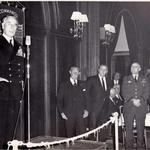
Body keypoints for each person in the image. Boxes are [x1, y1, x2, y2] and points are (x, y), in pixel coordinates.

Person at [0, 15, 25, 148]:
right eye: (8, 23)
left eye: (15, 24)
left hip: (15, 92)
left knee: (12, 128)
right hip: (1, 90)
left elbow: (20, 70)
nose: (12, 27)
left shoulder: (19, 46)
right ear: (2, 25)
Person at [122, 62, 149, 149]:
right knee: (128, 129)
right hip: (129, 107)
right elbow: (123, 92)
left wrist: (140, 100)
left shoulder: (145, 79)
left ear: (139, 68)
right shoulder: (126, 79)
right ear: (130, 69)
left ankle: (140, 147)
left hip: (141, 107)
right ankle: (129, 147)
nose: (134, 68)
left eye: (136, 66)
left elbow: (147, 92)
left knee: (140, 129)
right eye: (132, 66)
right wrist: (132, 100)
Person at [57, 66, 88, 137]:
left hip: (81, 114)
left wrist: (86, 110)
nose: (75, 74)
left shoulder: (83, 84)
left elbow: (86, 98)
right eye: (74, 72)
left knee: (82, 135)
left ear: (79, 73)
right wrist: (62, 113)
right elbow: (59, 100)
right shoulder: (63, 84)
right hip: (68, 114)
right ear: (70, 72)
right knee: (70, 135)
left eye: (77, 72)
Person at [86, 65, 111, 129]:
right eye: (101, 69)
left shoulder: (108, 80)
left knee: (103, 127)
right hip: (94, 108)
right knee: (93, 127)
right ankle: (92, 139)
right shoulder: (92, 79)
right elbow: (86, 94)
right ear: (98, 70)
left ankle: (101, 139)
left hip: (105, 108)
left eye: (105, 69)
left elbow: (108, 94)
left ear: (107, 71)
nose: (103, 71)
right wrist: (88, 108)